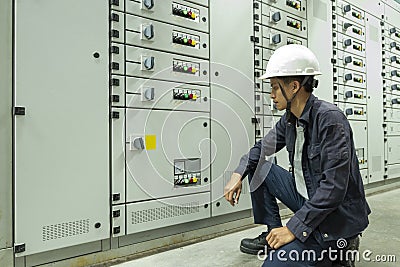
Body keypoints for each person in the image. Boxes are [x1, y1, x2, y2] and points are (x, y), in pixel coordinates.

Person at [223, 44, 371, 266]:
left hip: (335, 218)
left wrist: (294, 228)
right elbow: (261, 150)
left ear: (293, 87)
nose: (271, 95)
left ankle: (342, 247)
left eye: (274, 87)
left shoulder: (330, 120)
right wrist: (237, 173)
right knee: (257, 167)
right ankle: (274, 234)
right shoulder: (290, 120)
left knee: (272, 265)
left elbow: (333, 188)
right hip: (309, 198)